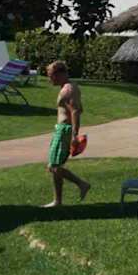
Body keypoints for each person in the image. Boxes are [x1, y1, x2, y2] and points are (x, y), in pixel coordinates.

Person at [42, 62, 90, 207]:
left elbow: (75, 111)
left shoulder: (68, 89)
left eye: (51, 76)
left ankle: (82, 184)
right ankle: (57, 201)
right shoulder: (69, 87)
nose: (50, 79)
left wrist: (74, 135)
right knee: (55, 166)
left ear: (60, 74)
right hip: (61, 129)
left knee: (54, 166)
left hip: (65, 131)